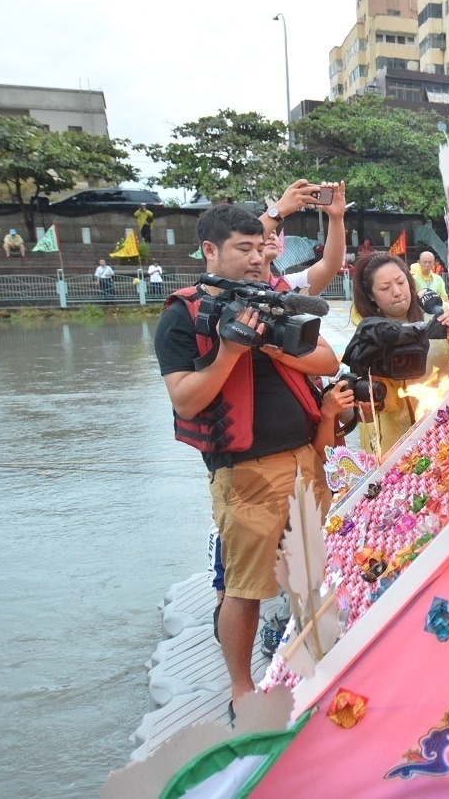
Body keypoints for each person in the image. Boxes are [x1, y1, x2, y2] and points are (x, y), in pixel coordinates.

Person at [154, 204, 339, 710]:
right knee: (245, 587)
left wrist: (273, 346)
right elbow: (186, 399)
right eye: (243, 248)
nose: (257, 258)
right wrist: (231, 351)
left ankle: (316, 668)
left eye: (261, 247)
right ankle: (241, 690)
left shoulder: (278, 299)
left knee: (310, 575)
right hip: (246, 473)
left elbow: (327, 360)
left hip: (306, 460)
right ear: (210, 250)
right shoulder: (182, 315)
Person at [347, 252, 449, 455]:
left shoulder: (437, 316)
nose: (397, 292)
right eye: (385, 288)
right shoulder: (369, 336)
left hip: (446, 433)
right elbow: (380, 403)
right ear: (371, 295)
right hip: (395, 442)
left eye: (401, 282)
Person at [259, 180, 349, 296]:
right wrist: (279, 209)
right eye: (267, 233)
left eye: (275, 233)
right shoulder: (231, 283)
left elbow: (330, 265)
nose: (272, 236)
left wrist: (336, 217)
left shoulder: (289, 285)